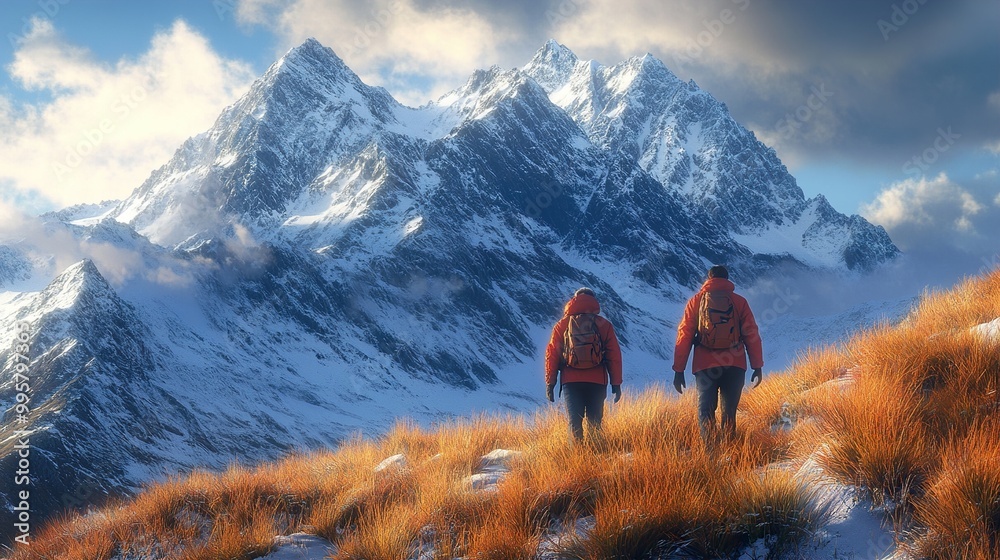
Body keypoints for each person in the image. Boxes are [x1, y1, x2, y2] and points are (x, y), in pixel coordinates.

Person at [672, 265, 763, 446]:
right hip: (734, 364)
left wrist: (678, 370)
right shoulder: (739, 302)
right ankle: (729, 453)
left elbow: (685, 335)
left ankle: (712, 455)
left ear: (708, 279)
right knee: (729, 411)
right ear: (727, 279)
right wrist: (757, 365)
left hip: (705, 366)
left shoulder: (696, 301)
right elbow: (751, 334)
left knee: (705, 410)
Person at [545, 287, 623, 443]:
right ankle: (596, 460)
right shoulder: (604, 325)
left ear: (574, 300)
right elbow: (614, 355)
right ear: (593, 300)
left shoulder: (562, 325)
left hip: (571, 381)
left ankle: (576, 461)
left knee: (575, 422)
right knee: (595, 423)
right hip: (597, 381)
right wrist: (616, 384)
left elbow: (552, 354)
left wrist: (550, 382)